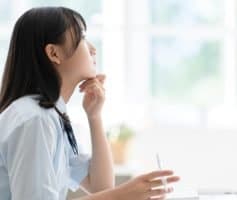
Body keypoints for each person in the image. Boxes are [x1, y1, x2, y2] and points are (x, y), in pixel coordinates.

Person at [0, 7, 179, 200]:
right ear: (53, 53)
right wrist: (122, 195)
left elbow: (100, 185)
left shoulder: (51, 115)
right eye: (82, 37)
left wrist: (94, 116)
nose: (93, 48)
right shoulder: (34, 119)